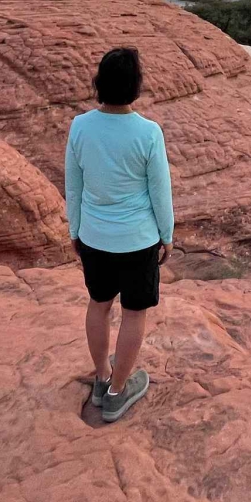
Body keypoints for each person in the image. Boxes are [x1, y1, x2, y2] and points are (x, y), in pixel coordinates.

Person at [65, 47, 174, 424]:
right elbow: (160, 190)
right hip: (137, 241)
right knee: (133, 312)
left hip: (94, 237)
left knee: (99, 304)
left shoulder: (80, 126)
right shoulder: (148, 132)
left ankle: (101, 377)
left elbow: (74, 186)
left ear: (99, 83)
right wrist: (167, 235)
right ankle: (117, 391)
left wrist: (74, 230)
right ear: (135, 86)